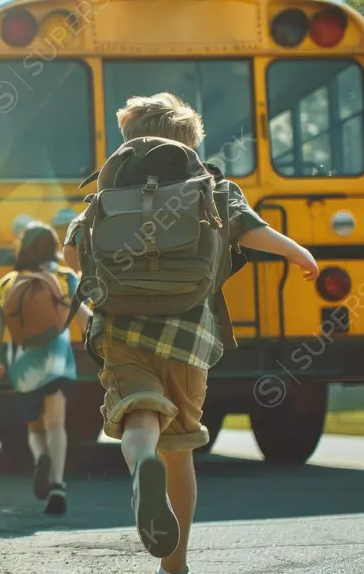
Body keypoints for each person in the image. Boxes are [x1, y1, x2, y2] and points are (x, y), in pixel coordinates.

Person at [63, 93, 320, 574]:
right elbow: (251, 231)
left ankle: (142, 465)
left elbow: (72, 254)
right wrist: (297, 253)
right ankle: (174, 565)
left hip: (121, 331)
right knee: (179, 451)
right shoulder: (215, 187)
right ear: (192, 144)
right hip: (188, 337)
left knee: (139, 418)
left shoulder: (106, 192)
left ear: (130, 140)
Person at [0, 222, 92, 515]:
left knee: (35, 428)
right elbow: (84, 317)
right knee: (56, 425)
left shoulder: (9, 281)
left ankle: (40, 456)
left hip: (23, 367)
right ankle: (57, 483)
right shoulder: (64, 276)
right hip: (58, 362)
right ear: (53, 248)